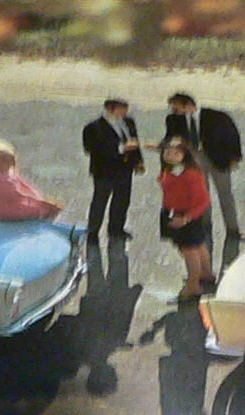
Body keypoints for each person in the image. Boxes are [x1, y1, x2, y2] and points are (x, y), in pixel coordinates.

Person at [163, 91, 245, 243]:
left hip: (218, 159)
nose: (174, 111)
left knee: (225, 194)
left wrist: (235, 158)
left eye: (176, 107)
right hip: (194, 160)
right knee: (201, 195)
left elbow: (232, 135)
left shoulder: (216, 117)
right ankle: (204, 227)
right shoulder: (173, 120)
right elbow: (169, 138)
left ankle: (232, 229)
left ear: (188, 105)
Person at [154, 134, 213, 302]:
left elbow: (204, 201)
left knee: (189, 251)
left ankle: (193, 286)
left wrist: (186, 218)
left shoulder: (191, 175)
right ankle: (205, 274)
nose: (171, 156)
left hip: (186, 216)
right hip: (175, 213)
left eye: (176, 153)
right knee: (198, 246)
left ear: (184, 155)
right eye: (168, 152)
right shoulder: (170, 169)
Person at [80, 96, 142, 240]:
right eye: (121, 109)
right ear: (110, 109)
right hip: (104, 170)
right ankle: (93, 231)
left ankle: (116, 229)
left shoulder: (128, 122)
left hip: (124, 168)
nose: (124, 112)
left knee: (122, 200)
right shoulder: (93, 128)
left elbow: (134, 141)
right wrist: (120, 148)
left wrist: (138, 161)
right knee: (100, 200)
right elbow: (91, 149)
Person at [0, 140, 61, 221]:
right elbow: (18, 197)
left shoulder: (4, 169)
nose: (12, 165)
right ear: (1, 161)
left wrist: (36, 196)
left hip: (7, 203)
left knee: (41, 206)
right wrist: (42, 204)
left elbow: (20, 182)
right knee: (40, 211)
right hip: (0, 211)